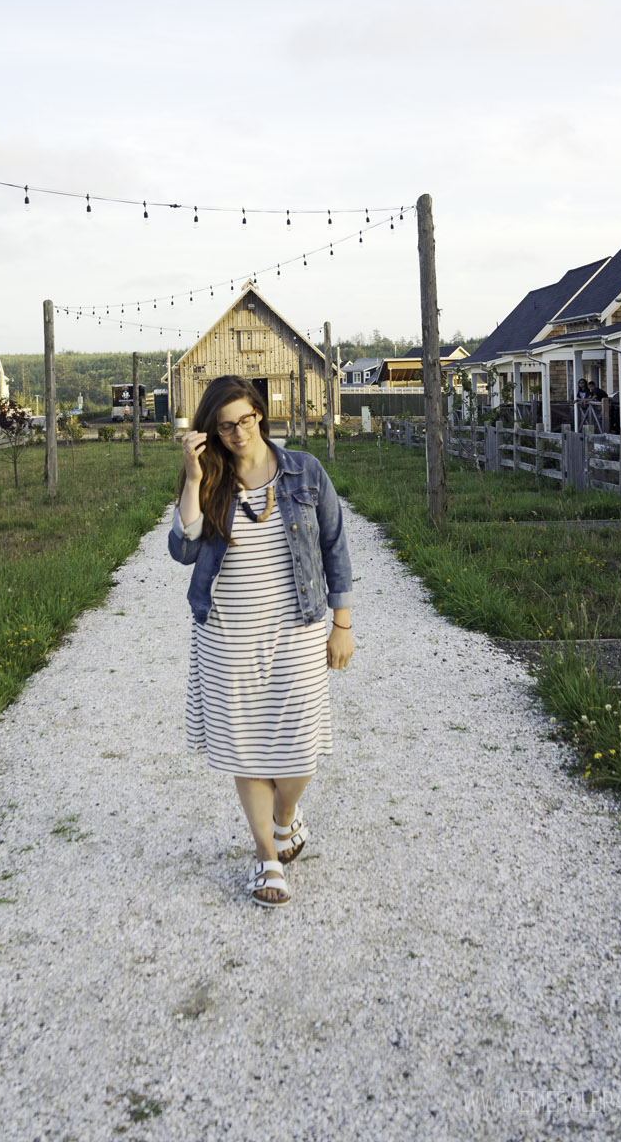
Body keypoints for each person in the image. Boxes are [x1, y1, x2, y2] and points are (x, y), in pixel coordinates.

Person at [168, 375, 353, 909]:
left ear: (259, 415)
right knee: (245, 750)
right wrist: (191, 475)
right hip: (227, 635)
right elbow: (183, 549)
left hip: (296, 629)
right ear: (212, 431)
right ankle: (267, 857)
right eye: (225, 426)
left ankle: (286, 817)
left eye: (245, 419)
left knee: (300, 754)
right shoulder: (210, 479)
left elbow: (336, 546)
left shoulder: (305, 471)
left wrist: (342, 623)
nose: (237, 432)